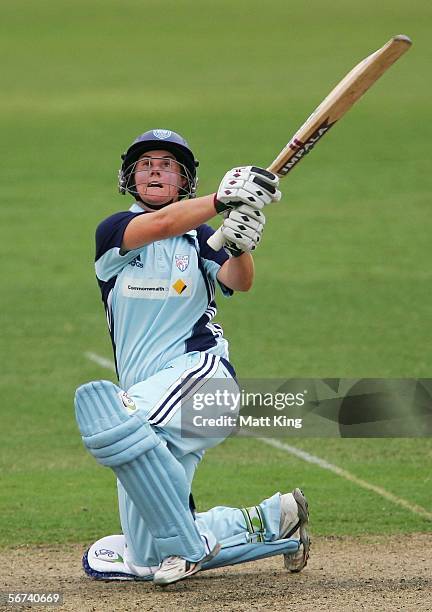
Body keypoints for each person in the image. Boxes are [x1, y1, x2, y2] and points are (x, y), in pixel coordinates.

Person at [74, 128, 310, 586]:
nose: (155, 168)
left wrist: (239, 244)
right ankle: (275, 520)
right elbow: (162, 226)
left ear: (184, 178)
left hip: (202, 381)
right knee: (147, 558)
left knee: (118, 422)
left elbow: (240, 281)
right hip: (151, 403)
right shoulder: (115, 233)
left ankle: (191, 546)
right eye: (145, 163)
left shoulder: (203, 238)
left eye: (167, 163)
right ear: (130, 177)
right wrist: (221, 199)